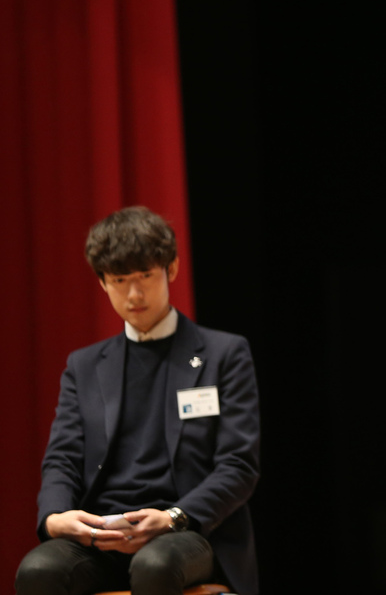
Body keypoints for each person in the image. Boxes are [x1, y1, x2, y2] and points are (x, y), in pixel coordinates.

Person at [15, 206, 260, 595]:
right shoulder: (85, 366)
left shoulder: (223, 354)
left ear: (172, 270)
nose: (134, 294)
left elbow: (238, 465)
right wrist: (55, 518)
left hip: (186, 530)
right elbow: (62, 458)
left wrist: (173, 517)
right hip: (103, 533)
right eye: (120, 280)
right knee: (38, 569)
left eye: (146, 276)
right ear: (102, 283)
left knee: (156, 565)